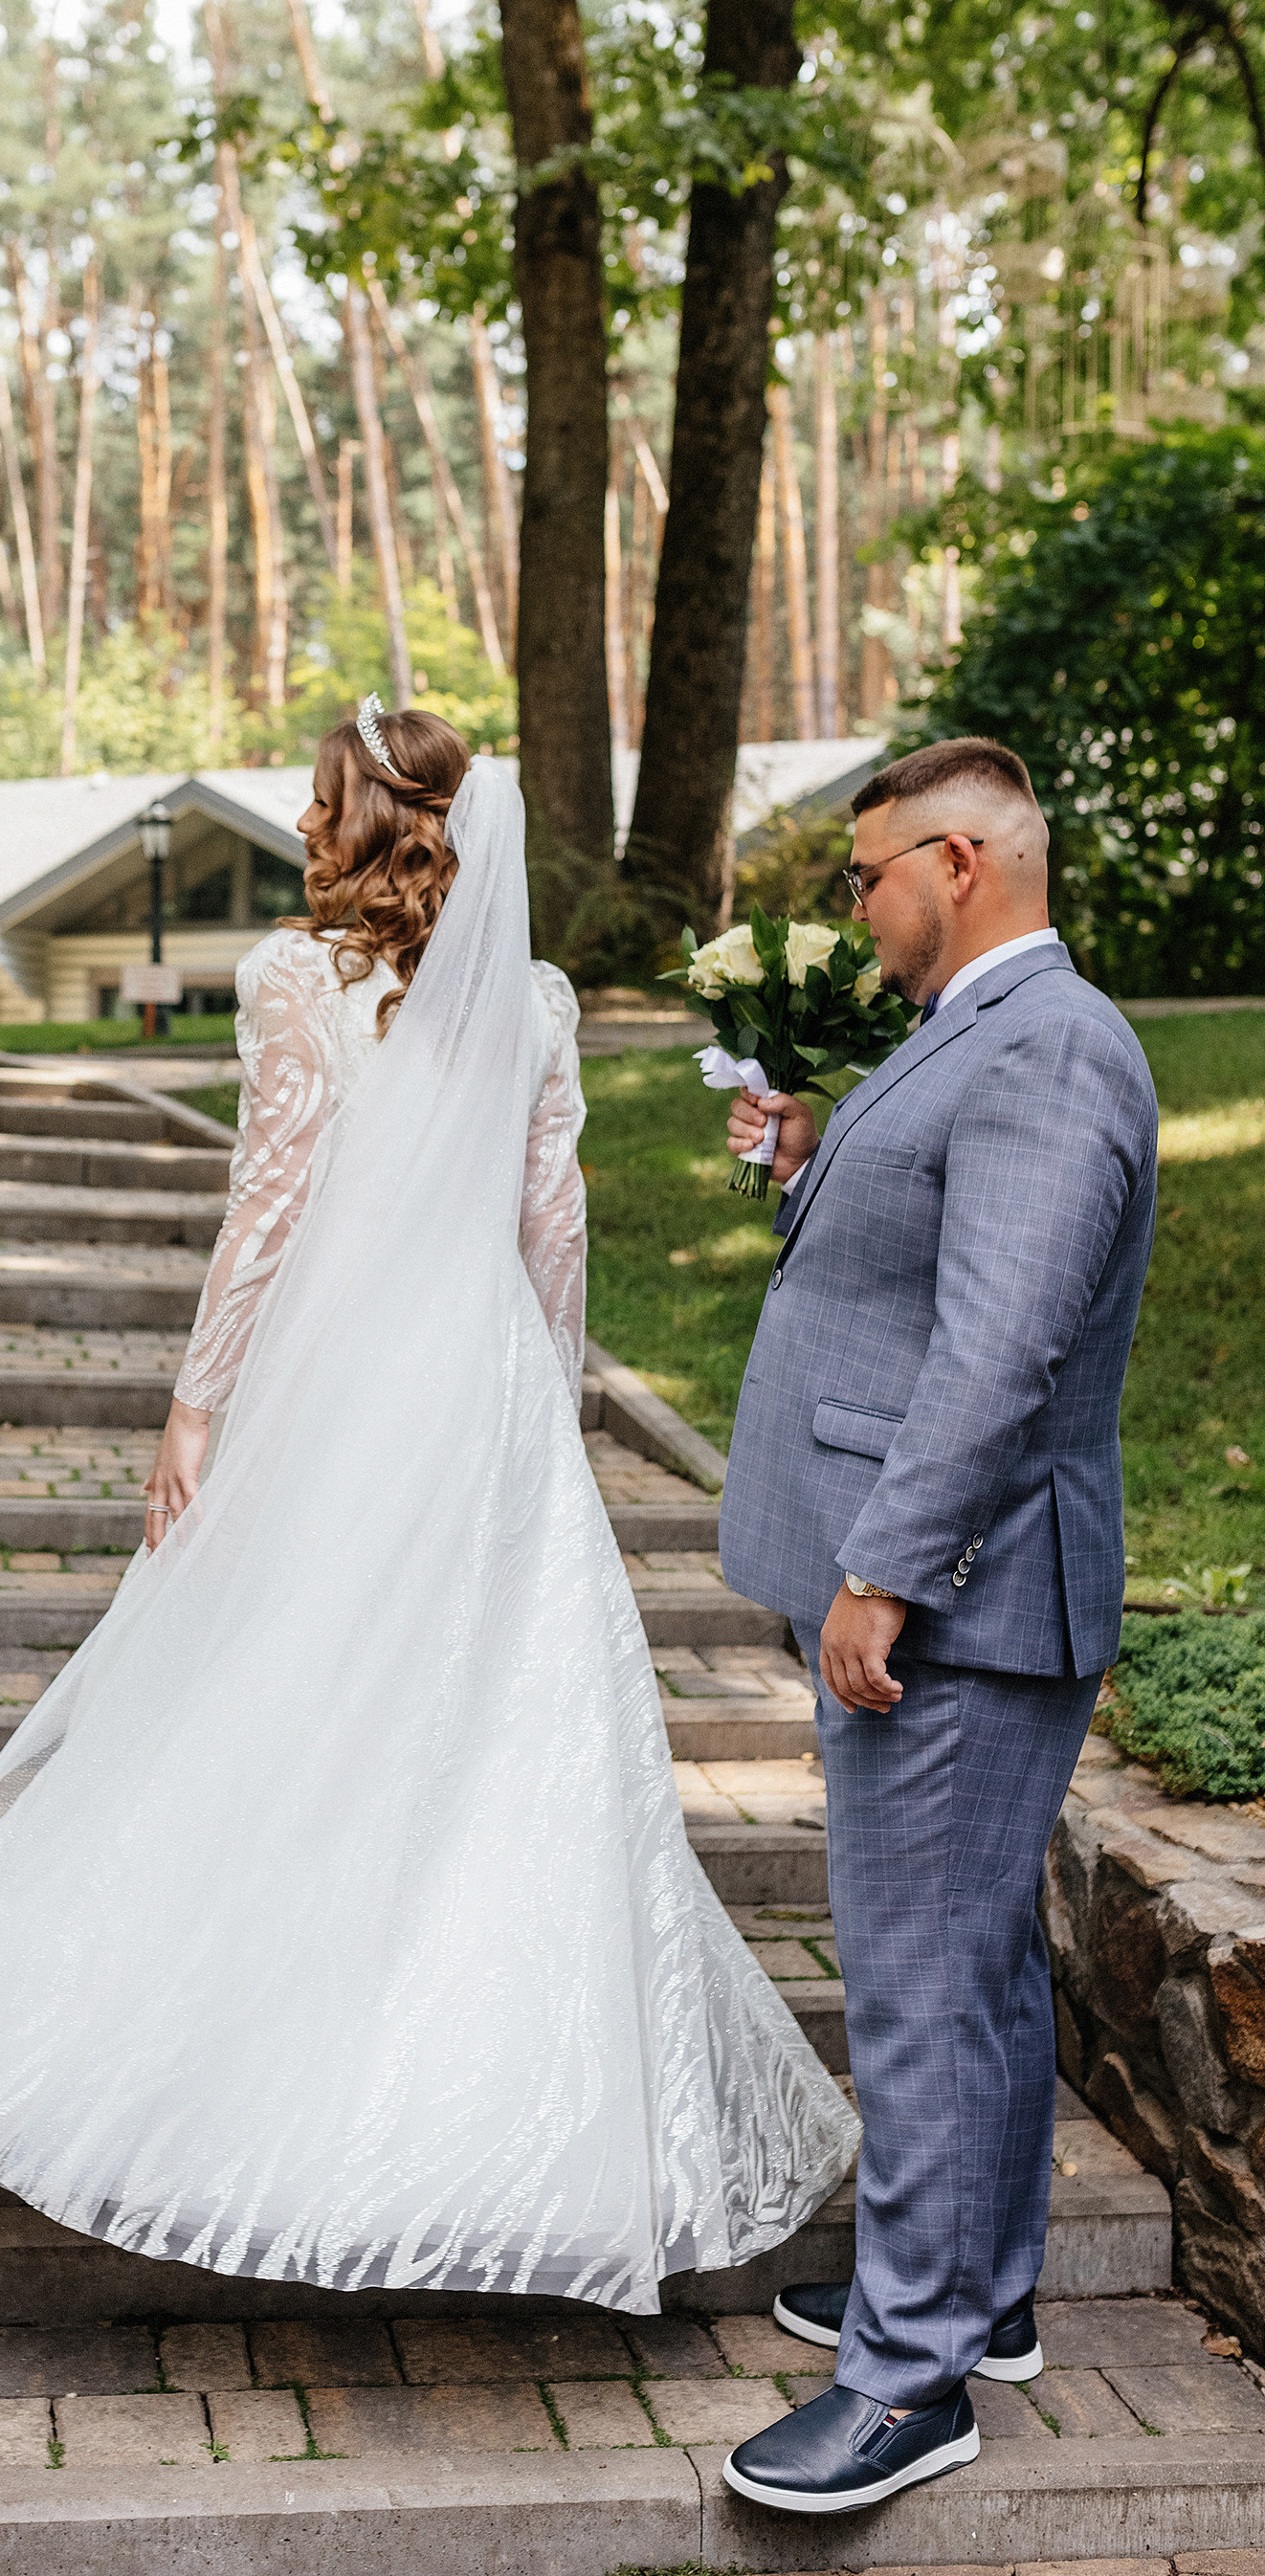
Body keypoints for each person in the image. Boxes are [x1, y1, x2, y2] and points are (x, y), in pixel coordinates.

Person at [0, 700, 855, 2313]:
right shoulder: (539, 995)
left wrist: (198, 1401)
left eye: (317, 801)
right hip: (488, 1381)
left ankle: (261, 2102)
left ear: (374, 821)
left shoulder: (298, 983)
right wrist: (554, 1407)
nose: (300, 822)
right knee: (495, 1722)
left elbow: (270, 1206)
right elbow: (549, 1222)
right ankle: (536, 2146)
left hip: (349, 1377)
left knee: (292, 1691)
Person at [714, 736, 1158, 2517]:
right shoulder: (984, 1031)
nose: (852, 902)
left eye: (866, 869)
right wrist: (823, 1151)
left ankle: (909, 2384)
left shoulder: (1052, 1046)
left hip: (956, 1602)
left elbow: (1004, 1350)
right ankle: (980, 2291)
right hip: (949, 1586)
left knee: (913, 1982)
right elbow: (952, 1257)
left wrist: (887, 1568)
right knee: (972, 1964)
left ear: (962, 861)